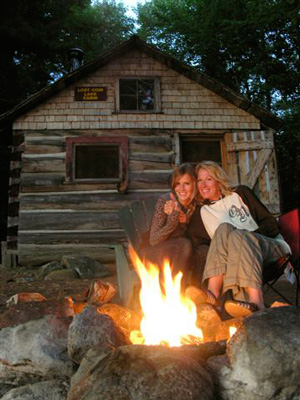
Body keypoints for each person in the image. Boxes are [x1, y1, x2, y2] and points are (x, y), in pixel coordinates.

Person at [186, 160, 291, 317]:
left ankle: (256, 302)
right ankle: (213, 295)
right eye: (200, 180)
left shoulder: (241, 193)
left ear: (218, 180)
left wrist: (247, 238)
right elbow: (200, 245)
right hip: (237, 261)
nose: (203, 184)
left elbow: (270, 224)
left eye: (208, 179)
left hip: (270, 248)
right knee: (223, 229)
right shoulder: (202, 213)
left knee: (238, 236)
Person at [141, 163, 198, 287]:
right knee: (184, 244)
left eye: (186, 184)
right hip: (155, 251)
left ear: (194, 184)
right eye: (177, 184)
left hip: (180, 252)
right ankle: (176, 292)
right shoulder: (165, 201)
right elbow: (154, 240)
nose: (181, 189)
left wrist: (184, 222)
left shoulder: (195, 205)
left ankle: (202, 295)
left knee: (194, 248)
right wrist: (173, 218)